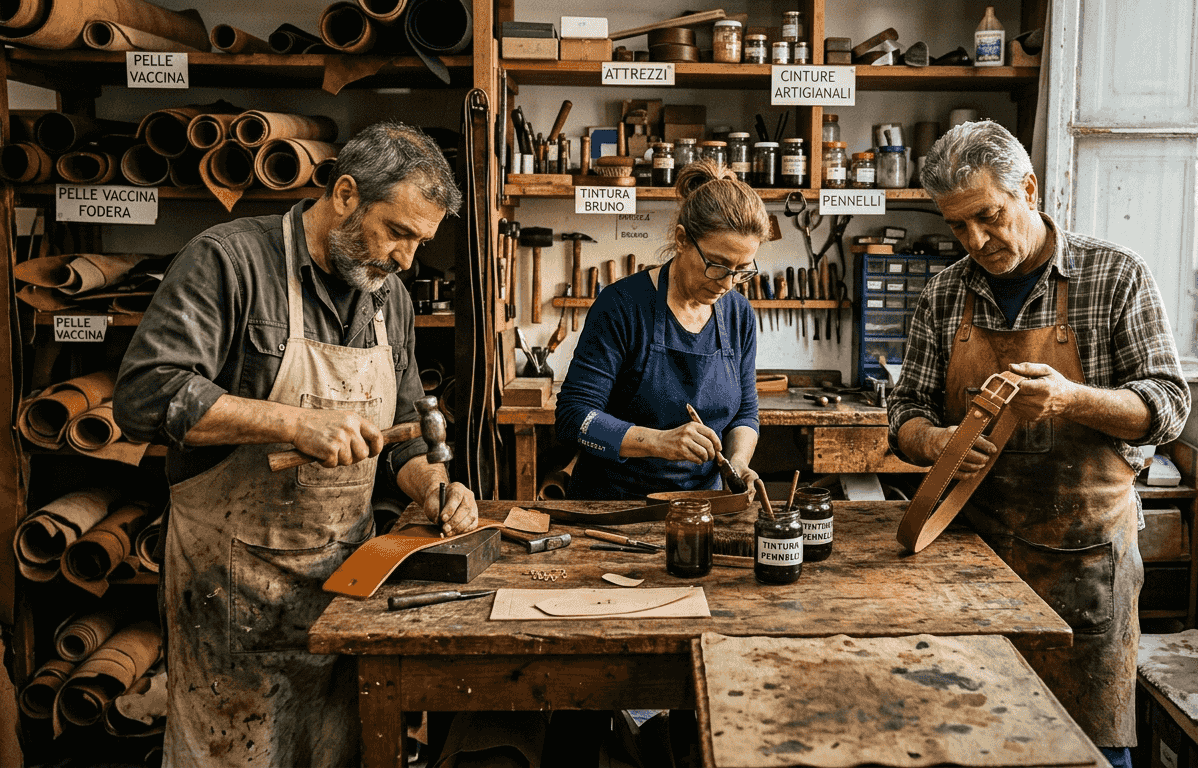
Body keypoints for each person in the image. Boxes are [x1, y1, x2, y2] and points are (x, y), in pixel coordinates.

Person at [112, 120, 479, 768]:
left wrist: (434, 487)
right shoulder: (228, 261)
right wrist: (288, 423)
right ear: (344, 195)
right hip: (231, 590)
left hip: (343, 585)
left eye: (419, 243)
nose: (405, 260)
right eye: (396, 232)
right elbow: (145, 395)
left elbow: (401, 433)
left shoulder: (388, 297)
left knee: (330, 748)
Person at [887, 121, 1190, 767]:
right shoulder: (944, 294)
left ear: (1029, 188)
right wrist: (936, 440)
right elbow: (903, 411)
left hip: (1083, 560)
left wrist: (1072, 398)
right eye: (958, 227)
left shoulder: (1115, 276)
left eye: (989, 217)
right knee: (972, 738)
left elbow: (1168, 407)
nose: (976, 241)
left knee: (1089, 745)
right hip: (969, 556)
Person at [555, 160, 767, 499]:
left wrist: (738, 462)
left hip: (699, 505)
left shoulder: (738, 315)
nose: (727, 283)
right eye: (716, 265)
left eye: (742, 270)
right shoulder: (622, 306)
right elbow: (573, 417)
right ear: (682, 240)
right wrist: (659, 441)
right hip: (615, 506)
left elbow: (745, 413)